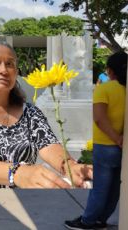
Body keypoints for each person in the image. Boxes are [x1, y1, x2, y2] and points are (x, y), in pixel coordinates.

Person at [0, 40, 93, 189]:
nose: (3, 70)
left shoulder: (31, 113)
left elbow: (49, 145)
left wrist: (69, 166)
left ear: (15, 73)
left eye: (10, 64)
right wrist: (17, 173)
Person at [65, 51, 127, 229]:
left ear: (109, 70)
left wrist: (116, 139)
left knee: (100, 188)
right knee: (115, 188)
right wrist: (121, 140)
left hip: (106, 146)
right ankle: (102, 219)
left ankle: (88, 221)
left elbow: (99, 118)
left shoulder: (104, 88)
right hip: (122, 147)